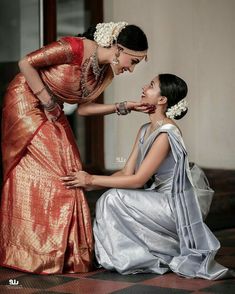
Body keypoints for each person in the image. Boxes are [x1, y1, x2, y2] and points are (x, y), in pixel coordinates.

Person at [0, 22, 151, 274]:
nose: (131, 68)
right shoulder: (74, 47)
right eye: (133, 61)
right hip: (26, 98)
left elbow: (84, 109)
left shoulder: (107, 73)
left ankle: (60, 253)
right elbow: (25, 63)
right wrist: (47, 101)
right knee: (61, 173)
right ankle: (35, 252)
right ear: (118, 48)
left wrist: (126, 106)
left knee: (71, 170)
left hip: (51, 107)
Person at [61, 73, 234, 279]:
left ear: (162, 100)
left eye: (151, 85)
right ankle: (123, 257)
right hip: (158, 199)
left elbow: (138, 181)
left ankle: (129, 258)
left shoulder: (166, 133)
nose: (144, 87)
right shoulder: (145, 129)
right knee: (110, 198)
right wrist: (90, 184)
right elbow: (127, 172)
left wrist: (91, 179)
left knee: (114, 198)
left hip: (173, 205)